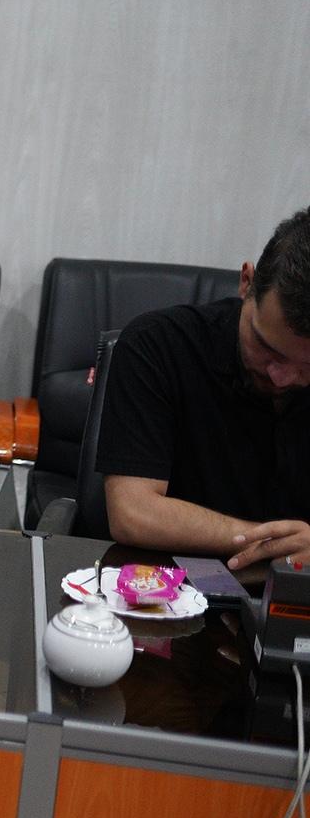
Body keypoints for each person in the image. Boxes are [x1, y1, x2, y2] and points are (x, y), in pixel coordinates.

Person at [98, 207, 310, 570]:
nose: (282, 377)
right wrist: (276, 544)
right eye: (267, 348)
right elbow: (133, 512)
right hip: (168, 584)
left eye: (307, 367)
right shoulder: (158, 346)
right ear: (247, 282)